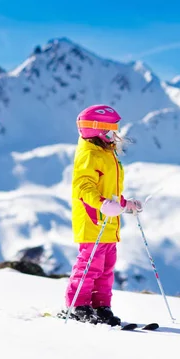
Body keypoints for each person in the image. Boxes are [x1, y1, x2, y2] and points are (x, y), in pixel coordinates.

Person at [62, 104, 143, 326]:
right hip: (92, 221)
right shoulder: (89, 154)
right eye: (110, 130)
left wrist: (126, 205)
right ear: (95, 130)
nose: (114, 134)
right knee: (89, 265)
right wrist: (102, 204)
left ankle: (101, 306)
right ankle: (78, 306)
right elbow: (83, 187)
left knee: (106, 269)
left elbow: (110, 192)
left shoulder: (107, 154)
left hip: (109, 223)